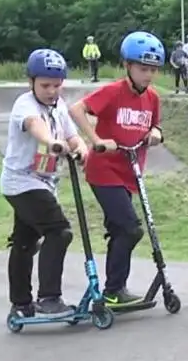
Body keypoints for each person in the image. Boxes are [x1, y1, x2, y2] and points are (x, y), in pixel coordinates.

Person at [68, 31, 167, 307]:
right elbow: (76, 109)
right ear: (128, 66)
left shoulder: (153, 98)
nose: (148, 75)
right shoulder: (113, 92)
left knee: (119, 231)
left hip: (130, 173)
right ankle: (114, 290)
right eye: (143, 69)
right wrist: (96, 140)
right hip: (104, 171)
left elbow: (155, 126)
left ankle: (114, 290)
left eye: (153, 70)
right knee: (131, 228)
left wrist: (156, 134)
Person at [2, 48, 90, 320]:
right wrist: (50, 142)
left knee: (25, 242)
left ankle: (21, 304)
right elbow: (34, 125)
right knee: (59, 231)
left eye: (57, 85)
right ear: (31, 82)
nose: (52, 91)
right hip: (22, 182)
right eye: (45, 85)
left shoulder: (60, 107)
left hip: (43, 182)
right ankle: (49, 298)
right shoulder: (25, 104)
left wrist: (81, 148)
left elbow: (72, 136)